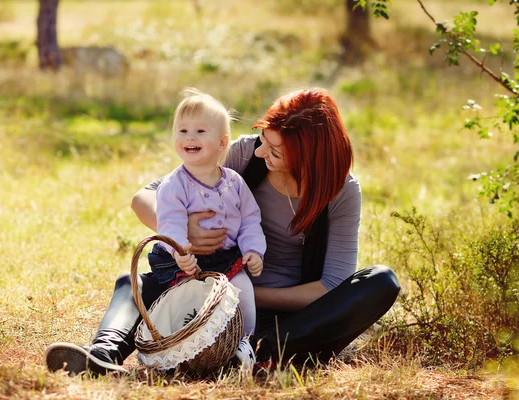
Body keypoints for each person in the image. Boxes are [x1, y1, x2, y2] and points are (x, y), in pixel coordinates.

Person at [44, 87, 401, 377]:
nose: (261, 150)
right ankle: (102, 354)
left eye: (275, 149)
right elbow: (144, 198)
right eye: (262, 139)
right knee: (133, 282)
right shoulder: (245, 155)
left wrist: (245, 295)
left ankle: (257, 352)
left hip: (293, 318)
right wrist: (186, 234)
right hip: (215, 291)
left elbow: (331, 287)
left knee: (382, 281)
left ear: (310, 156)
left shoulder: (341, 191)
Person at [146, 88, 265, 367]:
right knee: (193, 307)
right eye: (182, 130)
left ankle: (243, 344)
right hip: (186, 261)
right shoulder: (174, 184)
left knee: (242, 295)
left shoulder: (234, 182)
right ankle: (188, 350)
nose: (189, 137)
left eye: (200, 131)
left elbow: (250, 219)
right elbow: (170, 221)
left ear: (222, 143)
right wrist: (179, 250)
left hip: (227, 257)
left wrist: (254, 250)